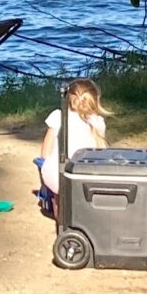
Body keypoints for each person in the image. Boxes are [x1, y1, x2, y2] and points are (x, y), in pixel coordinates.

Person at [33, 78, 108, 220]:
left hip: (58, 178)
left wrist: (43, 163)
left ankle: (60, 217)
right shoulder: (98, 122)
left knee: (55, 176)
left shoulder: (58, 116)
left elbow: (45, 151)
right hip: (89, 179)